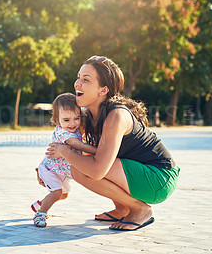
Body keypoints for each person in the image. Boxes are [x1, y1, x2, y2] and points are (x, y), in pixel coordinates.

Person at [46, 55, 180, 231]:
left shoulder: (116, 116)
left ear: (103, 90)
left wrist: (64, 151)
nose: (77, 83)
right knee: (83, 160)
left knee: (84, 166)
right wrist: (48, 170)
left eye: (85, 80)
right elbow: (71, 145)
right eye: (78, 77)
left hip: (160, 179)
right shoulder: (87, 115)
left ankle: (140, 209)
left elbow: (97, 170)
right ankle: (122, 208)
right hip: (140, 174)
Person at [32, 93, 97, 227]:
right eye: (66, 120)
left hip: (61, 171)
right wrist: (100, 151)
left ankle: (40, 204)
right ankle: (41, 214)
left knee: (63, 195)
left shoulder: (74, 124)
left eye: (76, 118)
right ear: (57, 120)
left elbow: (85, 111)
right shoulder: (64, 133)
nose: (72, 123)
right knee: (56, 193)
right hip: (50, 169)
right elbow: (79, 145)